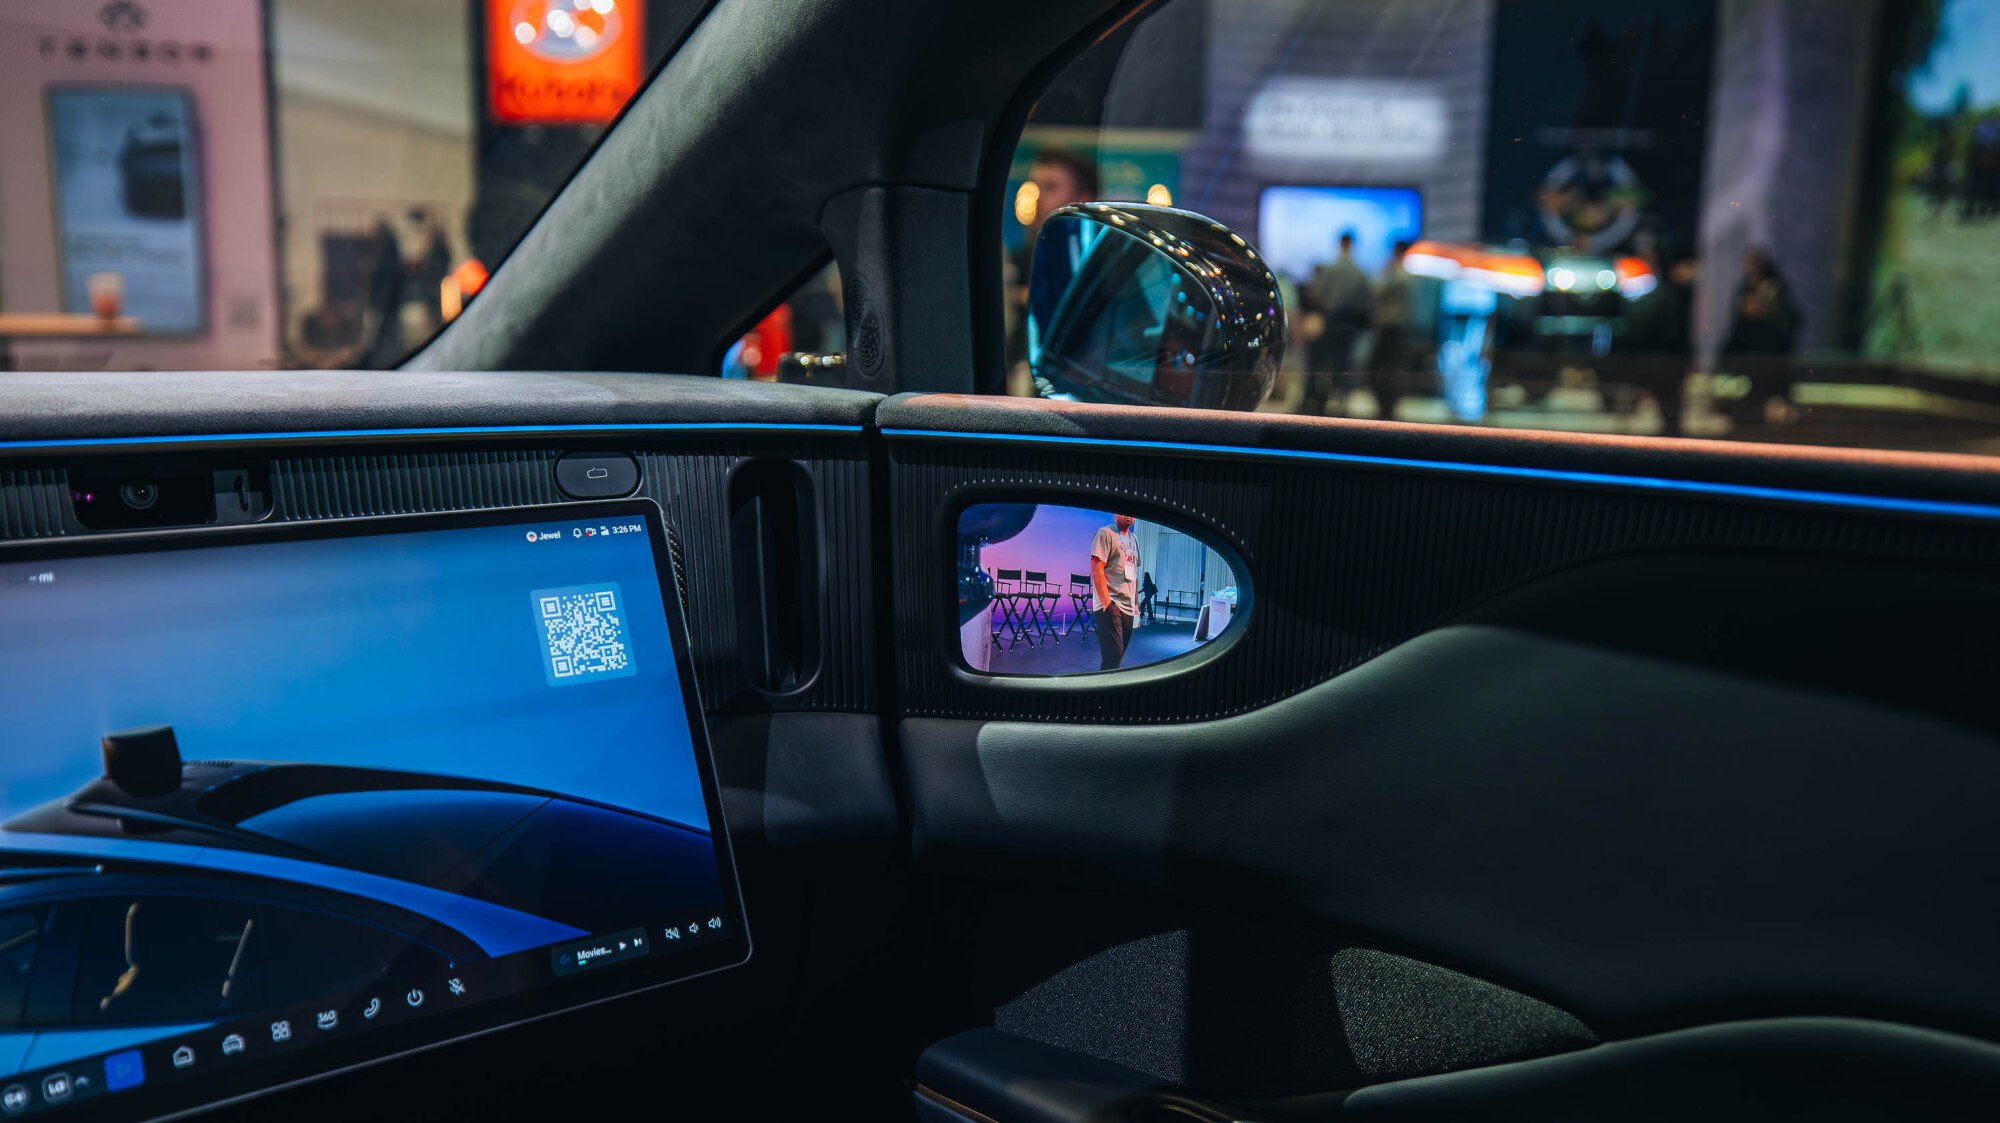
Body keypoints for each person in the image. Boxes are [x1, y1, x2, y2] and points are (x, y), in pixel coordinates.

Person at [1006, 148, 1101, 388]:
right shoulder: (1016, 264)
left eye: (1050, 187)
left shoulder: (1102, 267)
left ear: (1084, 199)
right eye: (1034, 187)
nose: (1036, 199)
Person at [1720, 248, 1801, 424]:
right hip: (1750, 355)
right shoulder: (1745, 288)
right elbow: (1737, 324)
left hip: (1770, 355)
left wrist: (1764, 311)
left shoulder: (1775, 288)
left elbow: (1790, 320)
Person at [1304, 231, 1371, 415]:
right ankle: (1341, 405)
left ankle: (1320, 405)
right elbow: (1365, 302)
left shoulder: (1329, 269)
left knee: (1323, 365)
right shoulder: (1360, 273)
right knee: (1344, 366)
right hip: (1349, 326)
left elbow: (1317, 295)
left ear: (1340, 243)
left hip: (1330, 322)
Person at [1368, 239, 1416, 421]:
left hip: (1391, 329)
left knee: (1379, 369)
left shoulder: (1398, 273)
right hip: (1397, 329)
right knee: (1389, 370)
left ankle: (1385, 409)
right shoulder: (1406, 273)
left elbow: (1377, 289)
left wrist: (1386, 268)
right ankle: (1387, 409)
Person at [1090, 513, 1140, 670]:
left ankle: (1105, 687)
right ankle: (1103, 691)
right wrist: (1106, 602)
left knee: (1118, 655)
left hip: (1128, 605)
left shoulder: (1134, 539)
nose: (1128, 515)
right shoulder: (1105, 533)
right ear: (1114, 514)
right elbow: (1096, 567)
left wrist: (1136, 602)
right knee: (1114, 654)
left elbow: (1134, 574)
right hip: (1111, 603)